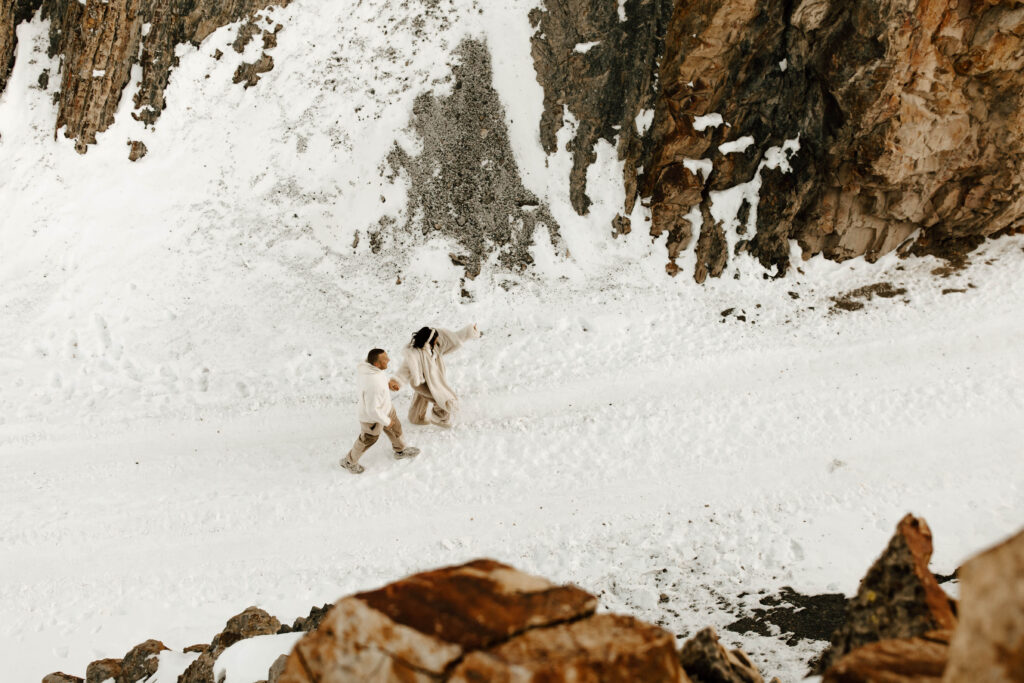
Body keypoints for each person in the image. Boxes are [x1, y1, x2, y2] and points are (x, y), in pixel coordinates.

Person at [340, 348, 420, 474]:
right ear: (376, 364)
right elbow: (372, 410)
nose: (389, 360)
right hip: (373, 418)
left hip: (386, 408)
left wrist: (388, 384)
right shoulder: (373, 385)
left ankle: (400, 450)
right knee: (367, 440)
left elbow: (378, 380)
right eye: (385, 359)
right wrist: (386, 421)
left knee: (396, 429)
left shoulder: (371, 369)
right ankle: (349, 462)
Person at [395, 323, 481, 428]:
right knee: (442, 397)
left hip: (431, 380)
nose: (437, 340)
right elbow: (405, 368)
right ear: (430, 339)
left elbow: (455, 338)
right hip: (420, 383)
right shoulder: (415, 354)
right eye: (436, 338)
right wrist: (397, 381)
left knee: (421, 397)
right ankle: (439, 418)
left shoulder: (435, 348)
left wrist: (469, 330)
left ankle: (415, 417)